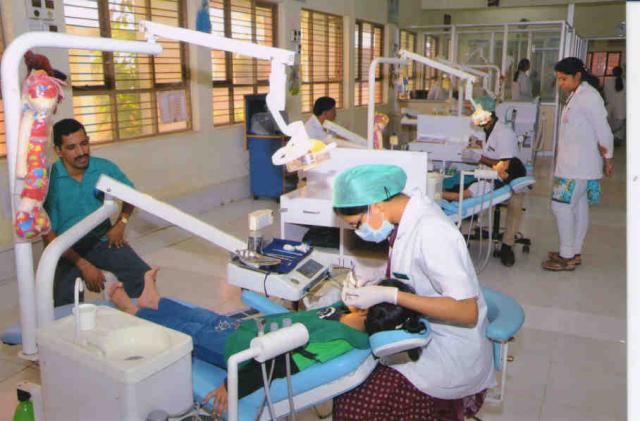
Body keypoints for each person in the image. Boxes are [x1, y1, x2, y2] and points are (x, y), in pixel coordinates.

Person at [107, 269, 422, 416]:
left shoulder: (340, 341)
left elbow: (279, 364)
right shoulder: (346, 313)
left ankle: (134, 312)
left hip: (242, 351)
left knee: (188, 332)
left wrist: (231, 386)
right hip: (248, 330)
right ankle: (154, 302)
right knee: (200, 316)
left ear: (367, 309)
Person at [332, 164, 495, 420]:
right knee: (351, 386)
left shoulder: (432, 231)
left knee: (354, 407)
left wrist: (390, 295)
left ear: (376, 204)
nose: (358, 232)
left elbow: (467, 312)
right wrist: (375, 276)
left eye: (357, 224)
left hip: (448, 354)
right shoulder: (404, 222)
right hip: (424, 335)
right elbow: (418, 273)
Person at [43, 118, 150, 306]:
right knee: (64, 300)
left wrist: (121, 224)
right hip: (66, 248)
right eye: (72, 147)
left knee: (143, 276)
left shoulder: (103, 168)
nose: (81, 152)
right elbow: (48, 235)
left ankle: (132, 316)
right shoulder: (49, 180)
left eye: (84, 143)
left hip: (101, 240)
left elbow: (131, 196)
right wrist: (84, 265)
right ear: (58, 151)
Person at [542, 57, 614, 271]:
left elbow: (603, 130)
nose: (561, 83)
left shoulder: (589, 97)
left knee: (561, 206)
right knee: (579, 207)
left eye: (564, 79)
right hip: (575, 165)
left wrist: (608, 157)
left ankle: (566, 256)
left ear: (578, 76)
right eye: (559, 79)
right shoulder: (577, 94)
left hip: (577, 167)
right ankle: (574, 251)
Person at [464, 95, 524, 266]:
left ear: (488, 114)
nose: (473, 117)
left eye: (476, 113)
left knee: (515, 201)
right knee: (460, 185)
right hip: (490, 175)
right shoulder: (488, 130)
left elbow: (504, 165)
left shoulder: (504, 133)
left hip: (509, 178)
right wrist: (478, 147)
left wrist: (479, 157)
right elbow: (491, 150)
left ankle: (507, 246)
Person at [441, 157, 527, 201]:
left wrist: (436, 193)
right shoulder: (492, 180)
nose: (500, 162)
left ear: (504, 174)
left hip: (445, 195)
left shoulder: (486, 184)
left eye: (503, 164)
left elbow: (457, 197)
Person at [603, 66, 626, 146]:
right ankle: (618, 140)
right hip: (621, 108)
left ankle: (608, 139)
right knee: (619, 126)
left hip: (609, 108)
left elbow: (605, 95)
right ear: (622, 73)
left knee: (610, 124)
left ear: (613, 73)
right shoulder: (626, 83)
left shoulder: (608, 82)